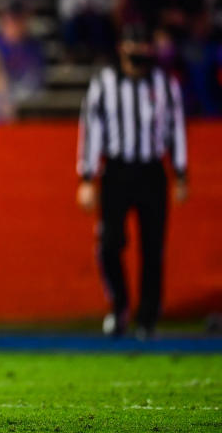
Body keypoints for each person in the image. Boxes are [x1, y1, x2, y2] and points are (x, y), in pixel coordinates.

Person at [76, 24, 188, 339]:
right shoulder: (104, 83)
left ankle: (148, 318)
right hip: (117, 171)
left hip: (152, 171)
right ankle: (120, 305)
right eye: (133, 45)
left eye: (144, 46)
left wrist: (179, 173)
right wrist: (86, 176)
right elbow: (91, 129)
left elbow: (175, 129)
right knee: (110, 244)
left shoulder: (165, 85)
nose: (139, 53)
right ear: (122, 47)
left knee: (153, 248)